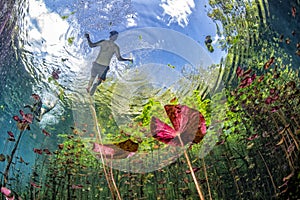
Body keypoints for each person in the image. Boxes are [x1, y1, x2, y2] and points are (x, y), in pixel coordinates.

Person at [85, 30, 133, 96]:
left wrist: (88, 38)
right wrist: (128, 59)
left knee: (92, 77)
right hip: (104, 66)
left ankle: (88, 87)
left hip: (97, 64)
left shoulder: (104, 42)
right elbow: (119, 58)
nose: (116, 38)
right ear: (113, 36)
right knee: (99, 79)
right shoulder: (115, 47)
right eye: (116, 36)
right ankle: (95, 85)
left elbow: (91, 45)